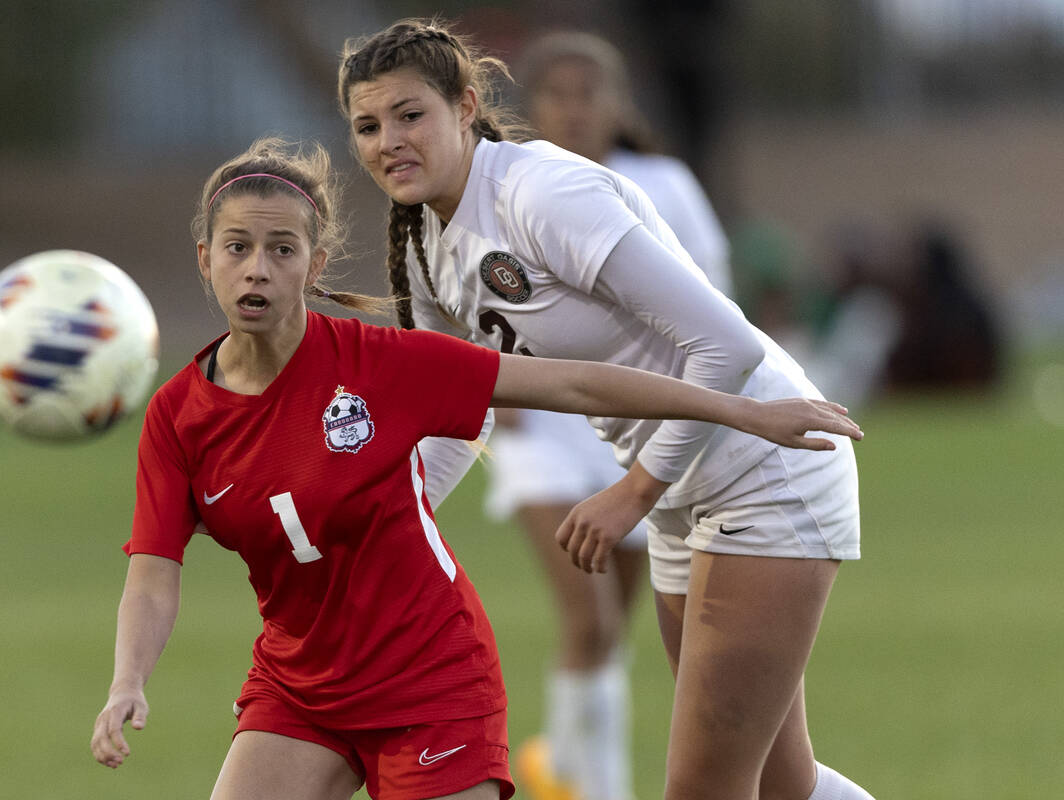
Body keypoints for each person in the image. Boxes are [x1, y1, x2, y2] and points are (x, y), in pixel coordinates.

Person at [88, 136, 862, 800]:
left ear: (314, 263)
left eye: (280, 249)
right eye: (238, 248)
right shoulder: (176, 417)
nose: (257, 269)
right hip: (300, 688)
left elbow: (572, 380)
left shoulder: (383, 363)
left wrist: (746, 411)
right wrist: (128, 680)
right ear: (205, 261)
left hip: (429, 682)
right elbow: (152, 573)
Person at [337, 18, 875, 800]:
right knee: (782, 784)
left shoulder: (539, 192)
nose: (390, 140)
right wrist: (382, 524)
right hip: (685, 489)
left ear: (464, 105)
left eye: (409, 114)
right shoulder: (421, 237)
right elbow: (463, 409)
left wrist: (632, 493)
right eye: (368, 125)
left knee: (706, 787)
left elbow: (729, 347)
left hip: (764, 468)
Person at [479, 31, 736, 800]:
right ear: (532, 108)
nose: (575, 109)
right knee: (586, 615)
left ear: (617, 104)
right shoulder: (504, 188)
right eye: (557, 94)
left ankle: (561, 762)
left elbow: (715, 308)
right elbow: (471, 298)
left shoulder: (663, 183)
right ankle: (599, 789)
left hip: (636, 430)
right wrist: (491, 392)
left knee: (611, 631)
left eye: (590, 93)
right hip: (543, 430)